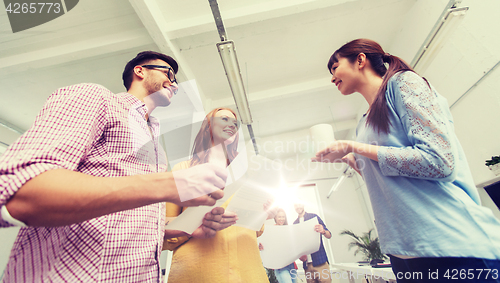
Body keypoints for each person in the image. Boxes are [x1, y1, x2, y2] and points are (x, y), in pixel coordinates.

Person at [0, 51, 233, 282]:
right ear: (140, 71)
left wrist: (183, 228)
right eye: (168, 73)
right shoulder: (96, 98)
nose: (174, 84)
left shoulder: (155, 145)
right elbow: (17, 193)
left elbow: (122, 223)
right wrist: (165, 184)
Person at [313, 38, 500, 282]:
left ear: (360, 59)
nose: (331, 77)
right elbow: (388, 178)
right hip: (405, 256)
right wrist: (351, 159)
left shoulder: (404, 83)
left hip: (453, 248)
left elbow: (439, 161)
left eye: (335, 67)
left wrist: (355, 146)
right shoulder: (365, 122)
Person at [163, 107, 272, 283]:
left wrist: (264, 213)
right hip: (199, 272)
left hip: (248, 271)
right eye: (224, 119)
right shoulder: (182, 171)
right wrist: (196, 224)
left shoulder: (248, 173)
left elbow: (255, 229)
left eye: (235, 123)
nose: (232, 125)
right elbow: (164, 229)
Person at [293, 202, 332, 283]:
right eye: (296, 205)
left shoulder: (314, 217)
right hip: (307, 266)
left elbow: (329, 235)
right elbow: (297, 244)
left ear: (303, 204)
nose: (298, 206)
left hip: (320, 262)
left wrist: (323, 231)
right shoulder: (295, 224)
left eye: (299, 203)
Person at [259, 208, 297, 283]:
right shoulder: (271, 230)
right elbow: (265, 244)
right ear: (275, 218)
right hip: (280, 265)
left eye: (283, 217)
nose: (281, 219)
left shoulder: (288, 230)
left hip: (291, 265)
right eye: (279, 217)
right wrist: (261, 246)